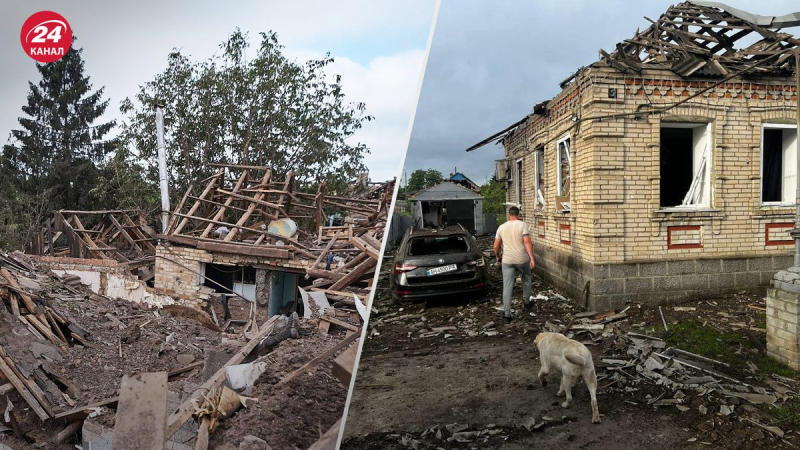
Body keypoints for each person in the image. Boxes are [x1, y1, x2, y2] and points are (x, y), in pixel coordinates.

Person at [493, 206, 535, 323]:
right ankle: (527, 302)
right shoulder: (523, 225)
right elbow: (527, 241)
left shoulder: (501, 227)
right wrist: (531, 258)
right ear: (519, 214)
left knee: (507, 286)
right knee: (526, 278)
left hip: (507, 260)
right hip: (522, 259)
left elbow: (496, 247)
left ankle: (507, 315)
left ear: (508, 215)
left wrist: (498, 256)